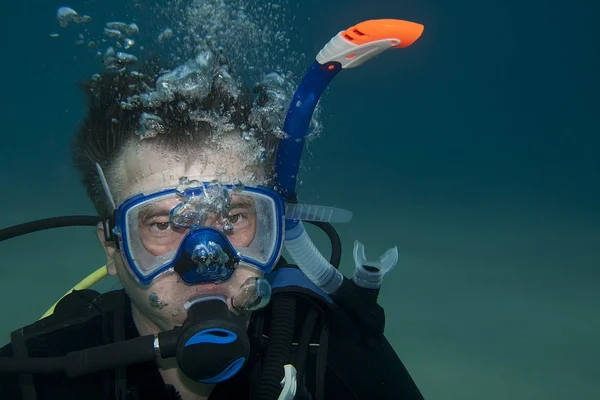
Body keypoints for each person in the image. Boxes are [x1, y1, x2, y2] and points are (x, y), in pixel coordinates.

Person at [0, 19, 426, 400]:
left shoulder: (330, 347)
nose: (207, 259)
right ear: (113, 249)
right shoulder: (42, 371)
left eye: (234, 217)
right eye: (164, 223)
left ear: (273, 228)